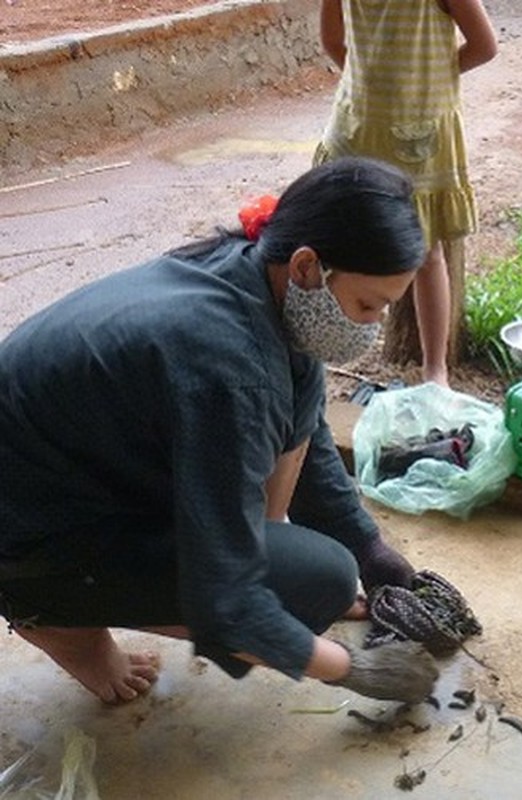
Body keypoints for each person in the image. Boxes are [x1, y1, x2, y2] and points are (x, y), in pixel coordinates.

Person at [0, 157, 440, 704]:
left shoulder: (254, 270)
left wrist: (368, 547)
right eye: (368, 306)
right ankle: (54, 616)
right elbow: (226, 599)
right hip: (30, 542)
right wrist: (351, 669)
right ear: (308, 268)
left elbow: (303, 419)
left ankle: (75, 592)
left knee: (313, 567)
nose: (371, 328)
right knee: (317, 580)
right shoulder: (227, 370)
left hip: (78, 475)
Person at [314, 0, 498, 386]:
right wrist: (431, 81)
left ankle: (321, 352)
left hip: (359, 124)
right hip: (416, 132)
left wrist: (372, 82)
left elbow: (333, 43)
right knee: (428, 255)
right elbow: (484, 46)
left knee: (337, 243)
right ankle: (436, 371)